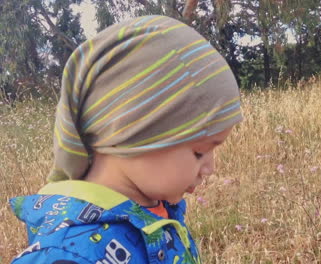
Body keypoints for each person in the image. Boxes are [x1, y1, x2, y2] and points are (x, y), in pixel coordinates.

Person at [9, 15, 242, 264]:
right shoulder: (68, 254)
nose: (210, 169)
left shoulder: (153, 208)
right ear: (133, 133)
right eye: (199, 152)